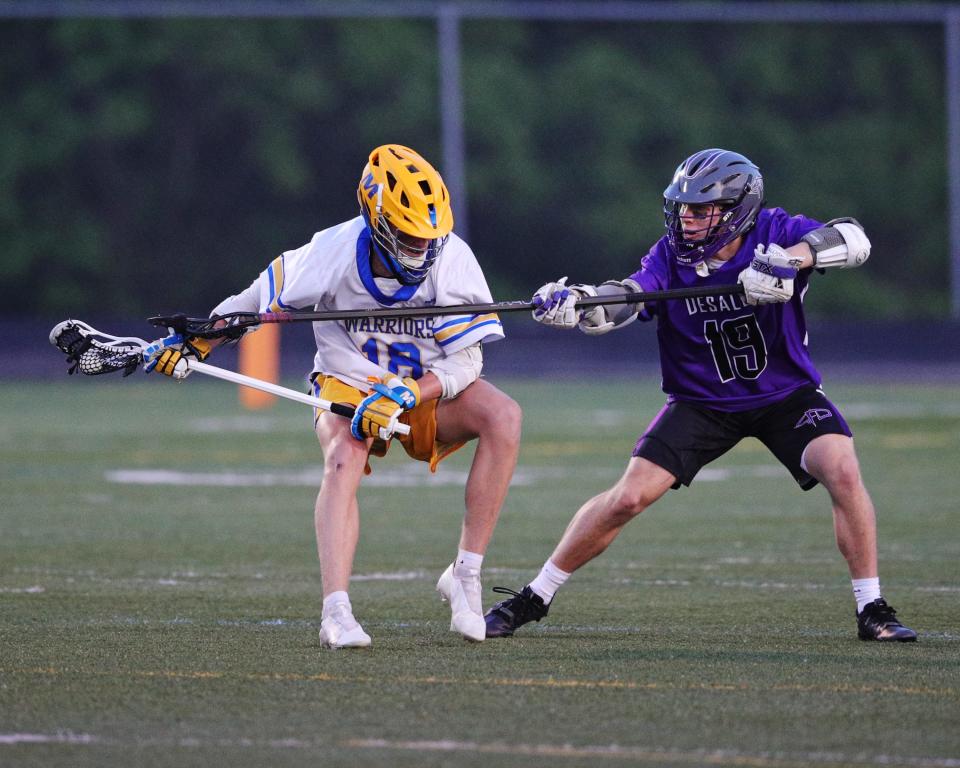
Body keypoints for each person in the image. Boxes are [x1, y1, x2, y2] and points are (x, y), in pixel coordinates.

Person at [484, 148, 916, 643]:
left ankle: (872, 608)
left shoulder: (774, 231)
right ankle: (533, 596)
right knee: (627, 498)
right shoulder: (668, 255)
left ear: (738, 209)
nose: (685, 219)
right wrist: (581, 303)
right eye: (682, 207)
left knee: (841, 467)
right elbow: (626, 298)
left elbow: (854, 238)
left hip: (784, 394)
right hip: (702, 402)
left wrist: (789, 262)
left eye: (699, 209)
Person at [150, 144, 522, 648]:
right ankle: (337, 613)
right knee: (343, 456)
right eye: (409, 237)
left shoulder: (451, 257)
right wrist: (199, 342)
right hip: (347, 379)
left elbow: (467, 361)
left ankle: (465, 574)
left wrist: (409, 393)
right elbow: (255, 302)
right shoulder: (330, 251)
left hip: (421, 387)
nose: (422, 249)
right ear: (376, 219)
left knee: (504, 416)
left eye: (428, 237)